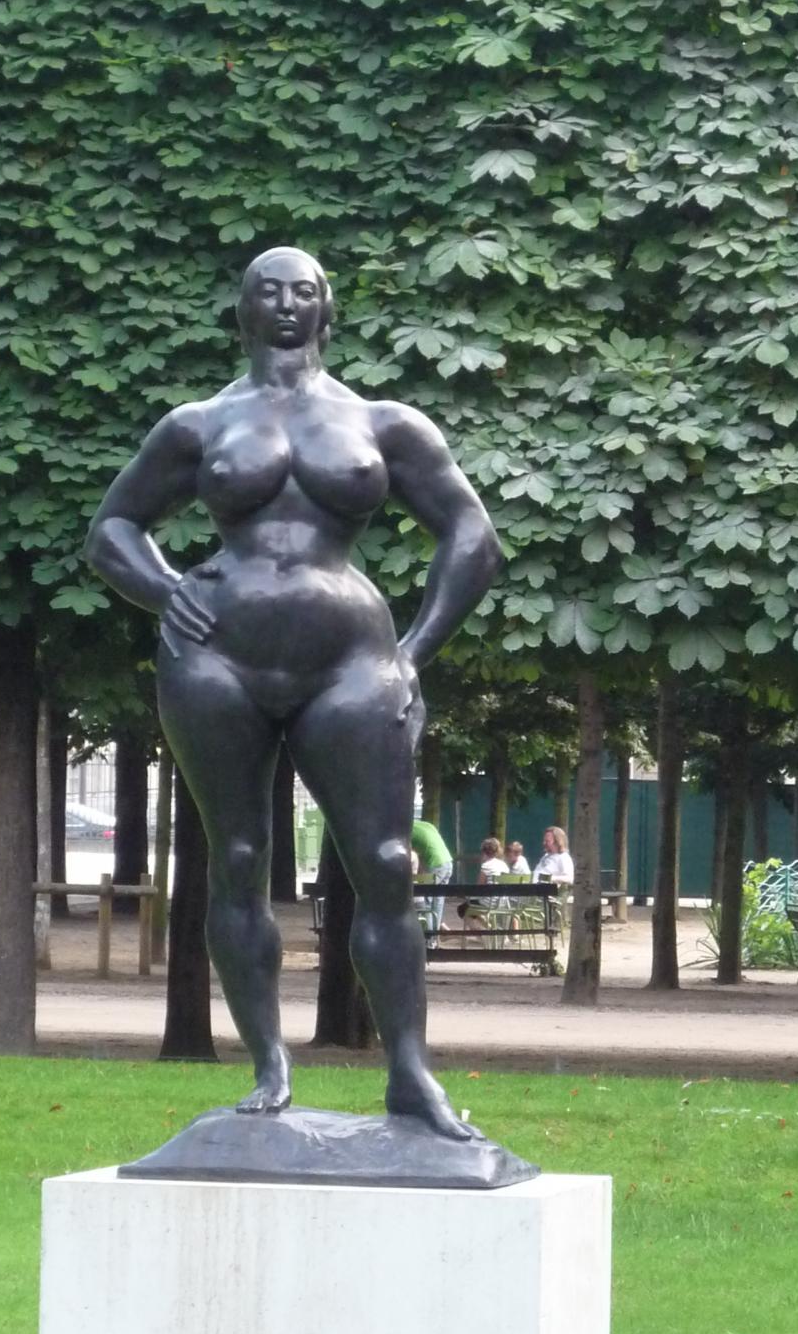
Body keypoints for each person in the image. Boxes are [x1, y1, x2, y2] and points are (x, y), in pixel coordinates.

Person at [86, 246, 502, 1140]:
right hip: (216, 660)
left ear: (327, 309)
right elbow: (112, 527)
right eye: (267, 292)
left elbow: (473, 533)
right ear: (242, 310)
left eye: (303, 292)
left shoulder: (383, 424)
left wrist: (414, 653)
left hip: (352, 660)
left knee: (385, 864)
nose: (285, 305)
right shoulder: (198, 425)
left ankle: (410, 1072)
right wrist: (166, 590)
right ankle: (269, 1063)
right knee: (237, 859)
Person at [411, 817, 453, 946]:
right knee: (438, 902)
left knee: (426, 903)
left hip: (434, 865)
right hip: (448, 863)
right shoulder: (427, 825)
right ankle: (434, 939)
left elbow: (411, 857)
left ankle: (429, 940)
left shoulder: (405, 832)